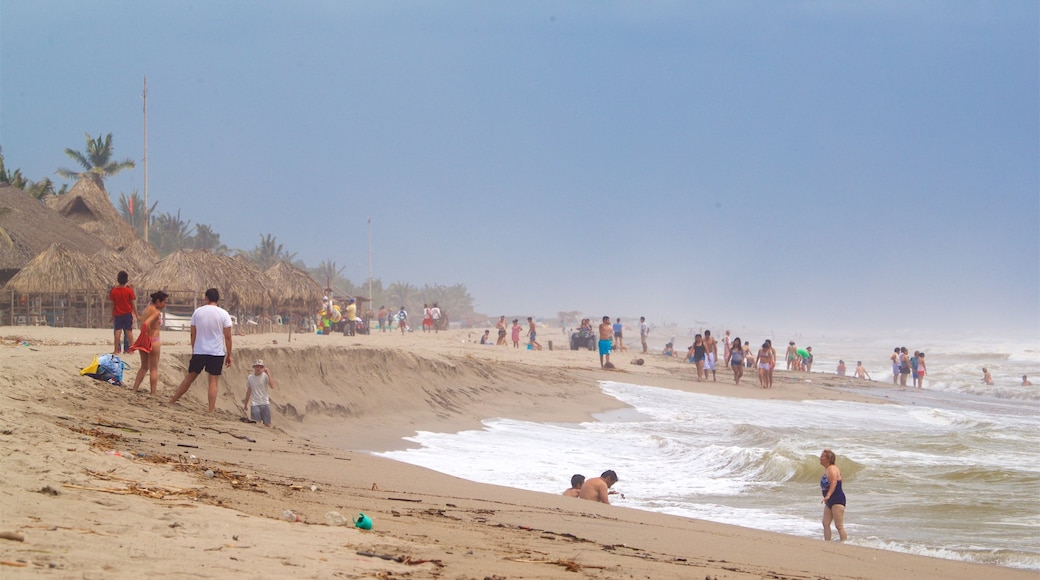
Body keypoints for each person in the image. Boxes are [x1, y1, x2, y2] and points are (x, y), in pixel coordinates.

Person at [168, 288, 233, 413]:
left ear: (206, 298)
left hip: (200, 350)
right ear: (217, 299)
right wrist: (229, 354)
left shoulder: (198, 312)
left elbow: (193, 333)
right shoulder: (224, 314)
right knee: (213, 382)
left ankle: (172, 400)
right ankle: (211, 410)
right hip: (216, 352)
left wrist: (194, 348)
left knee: (189, 378)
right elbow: (228, 336)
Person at [129, 290, 169, 396]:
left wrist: (143, 336)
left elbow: (143, 321)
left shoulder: (147, 308)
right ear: (158, 301)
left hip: (145, 339)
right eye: (164, 302)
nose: (165, 305)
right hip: (153, 340)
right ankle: (153, 393)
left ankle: (134, 389)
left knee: (144, 366)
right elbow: (146, 323)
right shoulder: (156, 312)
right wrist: (146, 332)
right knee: (154, 368)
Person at [819, 449, 848, 542]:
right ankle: (827, 542)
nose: (820, 458)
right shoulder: (827, 469)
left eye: (822, 456)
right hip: (830, 501)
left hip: (837, 500)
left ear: (828, 459)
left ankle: (845, 543)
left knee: (839, 525)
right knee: (825, 523)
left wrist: (827, 495)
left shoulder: (832, 469)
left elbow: (834, 483)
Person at [108, 271, 138, 354]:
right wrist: (136, 314)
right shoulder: (129, 290)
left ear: (118, 279)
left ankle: (116, 349)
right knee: (129, 331)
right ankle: (130, 349)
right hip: (127, 313)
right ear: (126, 280)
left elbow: (112, 304)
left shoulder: (114, 291)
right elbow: (133, 302)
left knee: (117, 331)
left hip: (117, 314)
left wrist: (112, 315)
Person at [243, 359, 275, 427]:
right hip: (255, 403)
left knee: (267, 424)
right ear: (254, 367)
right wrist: (245, 404)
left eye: (260, 367)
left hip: (265, 402)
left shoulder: (265, 376)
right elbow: (249, 391)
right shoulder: (250, 377)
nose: (259, 368)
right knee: (256, 424)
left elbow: (272, 386)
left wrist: (268, 374)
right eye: (257, 366)